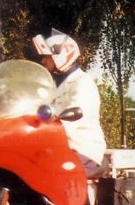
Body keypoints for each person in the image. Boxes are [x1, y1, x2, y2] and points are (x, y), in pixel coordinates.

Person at [32, 29, 107, 175]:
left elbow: (72, 119)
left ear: (61, 57)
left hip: (82, 148)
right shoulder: (52, 84)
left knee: (57, 177)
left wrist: (42, 135)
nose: (43, 61)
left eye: (47, 56)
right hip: (58, 148)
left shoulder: (83, 83)